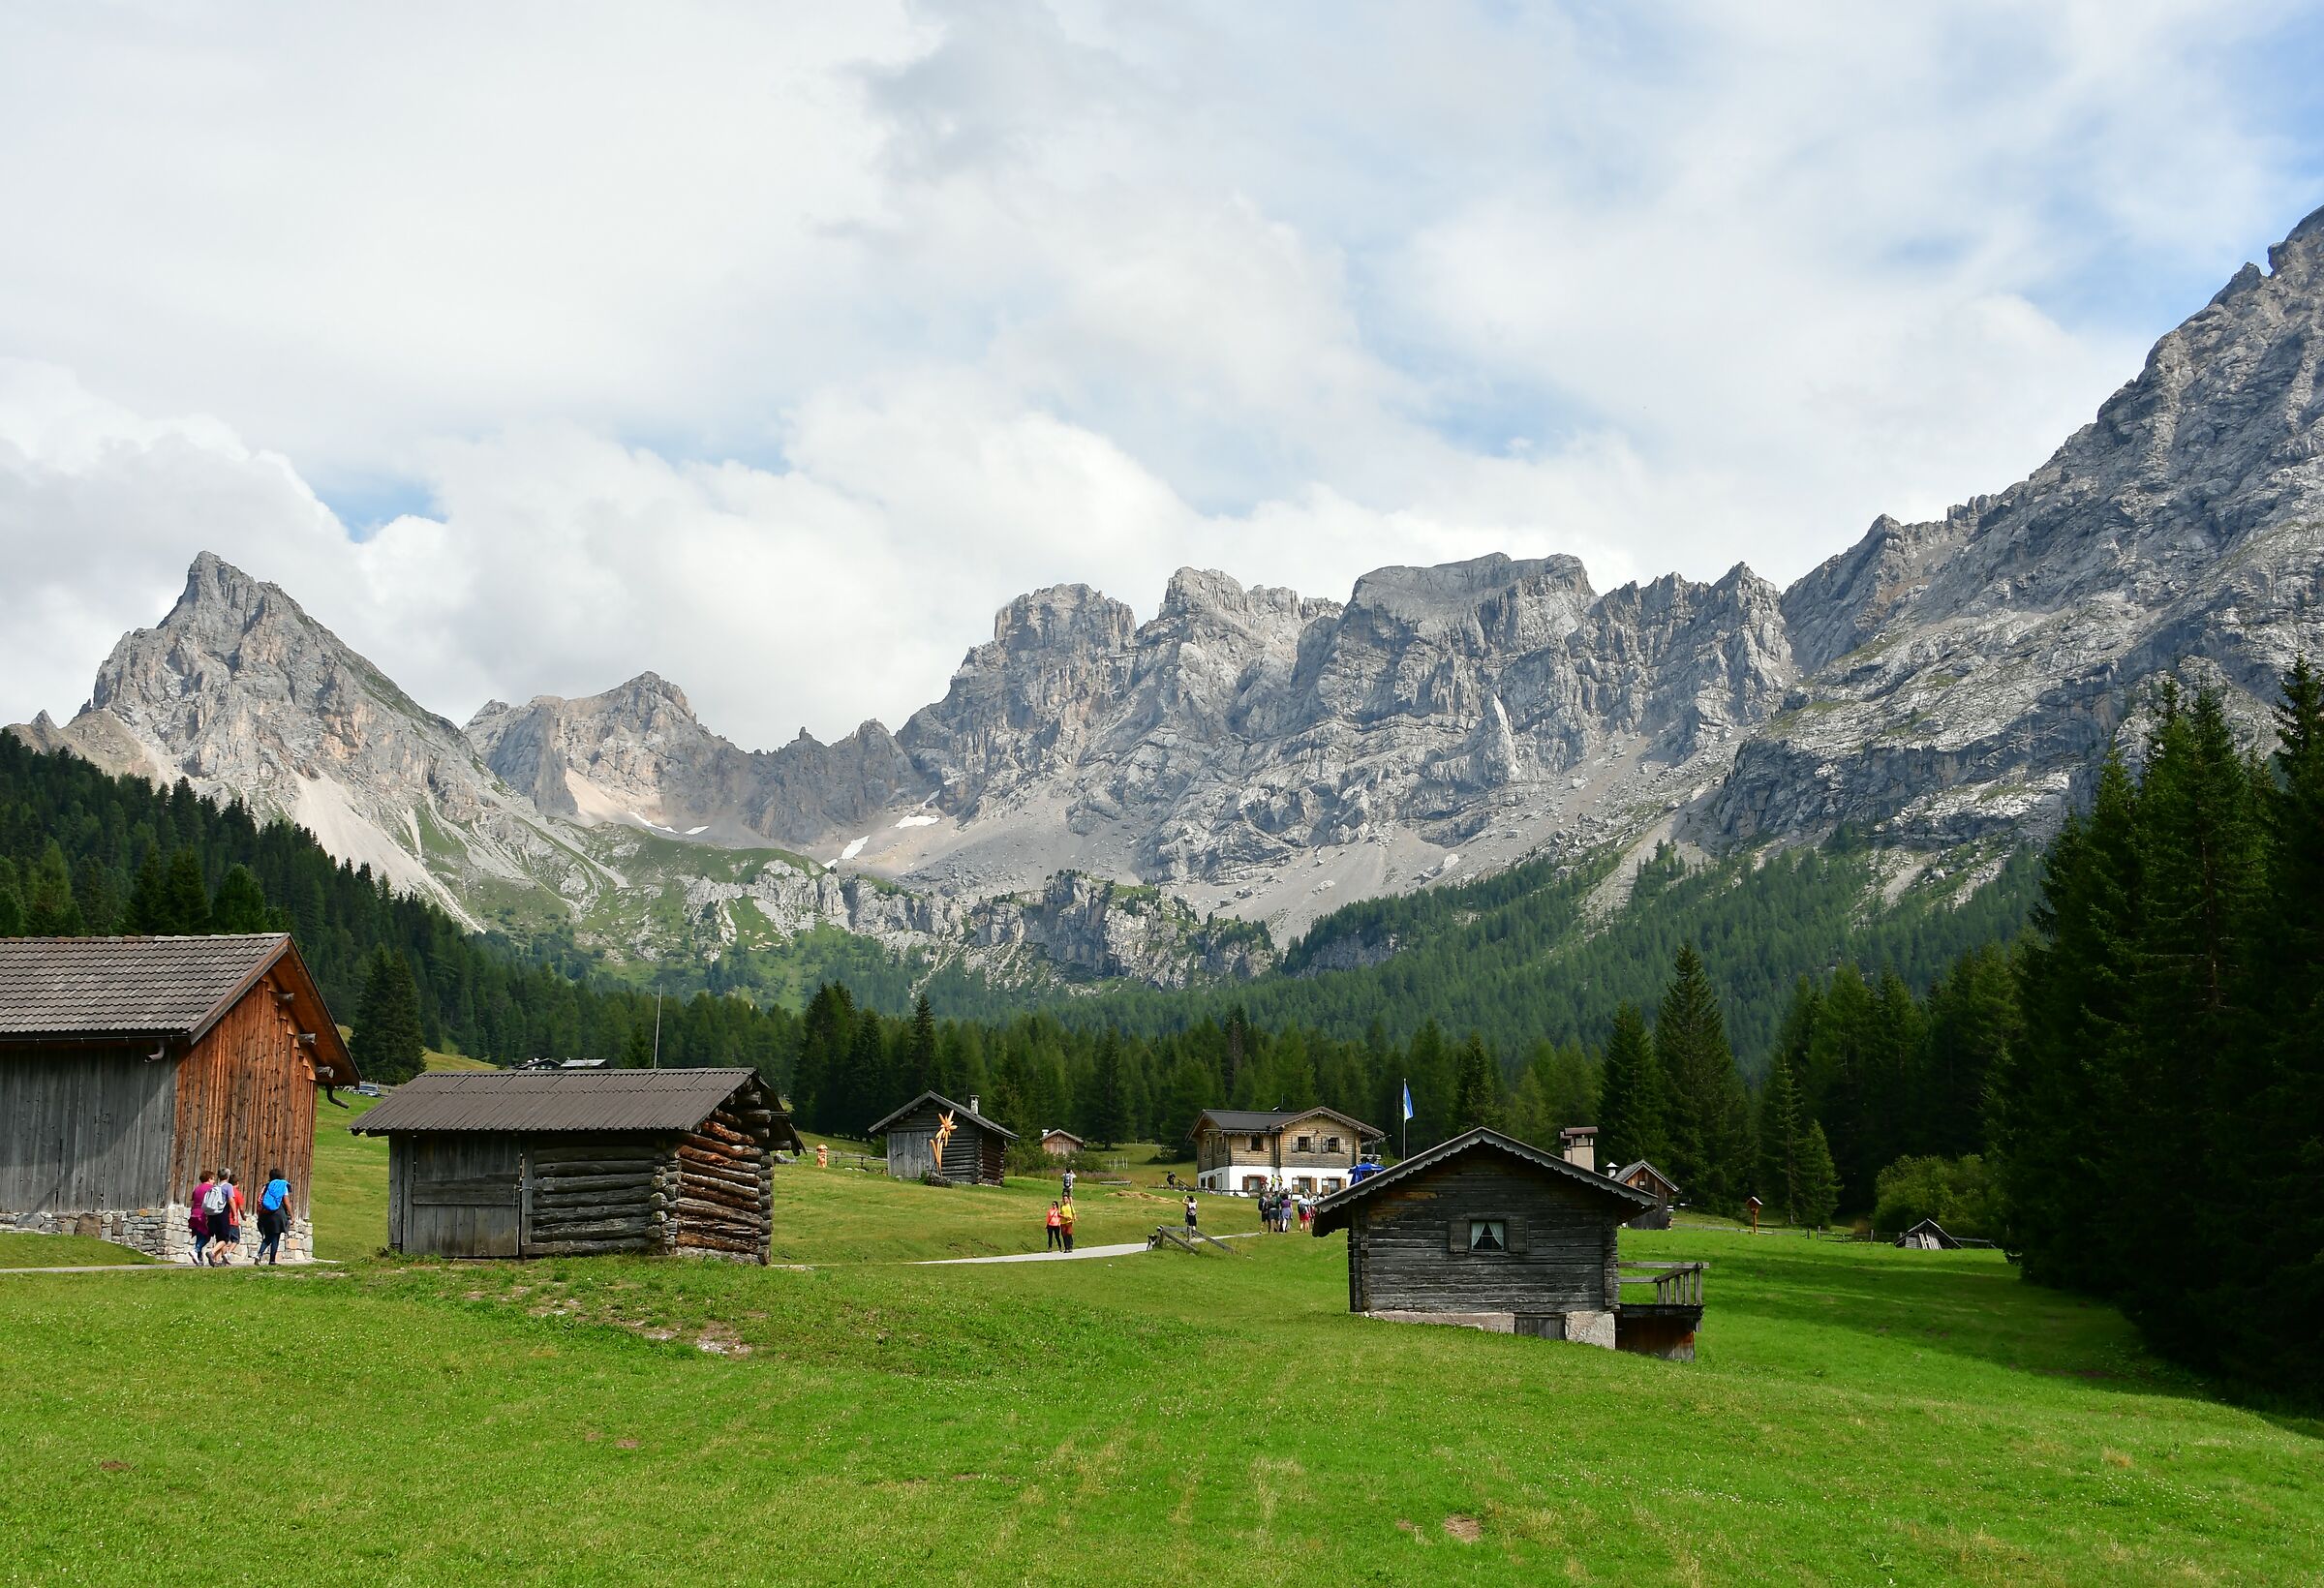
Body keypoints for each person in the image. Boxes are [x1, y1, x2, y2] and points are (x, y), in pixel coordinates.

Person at [257, 1167, 293, 1265]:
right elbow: (286, 1202)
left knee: (268, 1236)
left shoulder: (267, 1186)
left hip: (266, 1213)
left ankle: (259, 1254)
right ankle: (272, 1260)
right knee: (275, 1236)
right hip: (278, 1213)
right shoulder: (283, 1186)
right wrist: (292, 1215)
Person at [202, 1169, 238, 1266]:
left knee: (219, 1238)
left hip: (212, 1214)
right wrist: (235, 1214)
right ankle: (212, 1252)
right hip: (222, 1213)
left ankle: (216, 1260)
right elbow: (231, 1200)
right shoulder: (228, 1186)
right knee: (225, 1239)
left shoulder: (215, 1187)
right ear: (227, 1176)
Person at [188, 1172, 213, 1266]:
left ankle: (199, 1258)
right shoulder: (211, 1188)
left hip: (194, 1213)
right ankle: (196, 1250)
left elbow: (193, 1201)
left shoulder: (197, 1189)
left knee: (199, 1234)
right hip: (203, 1214)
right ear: (209, 1179)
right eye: (213, 1179)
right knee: (207, 1236)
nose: (214, 1181)